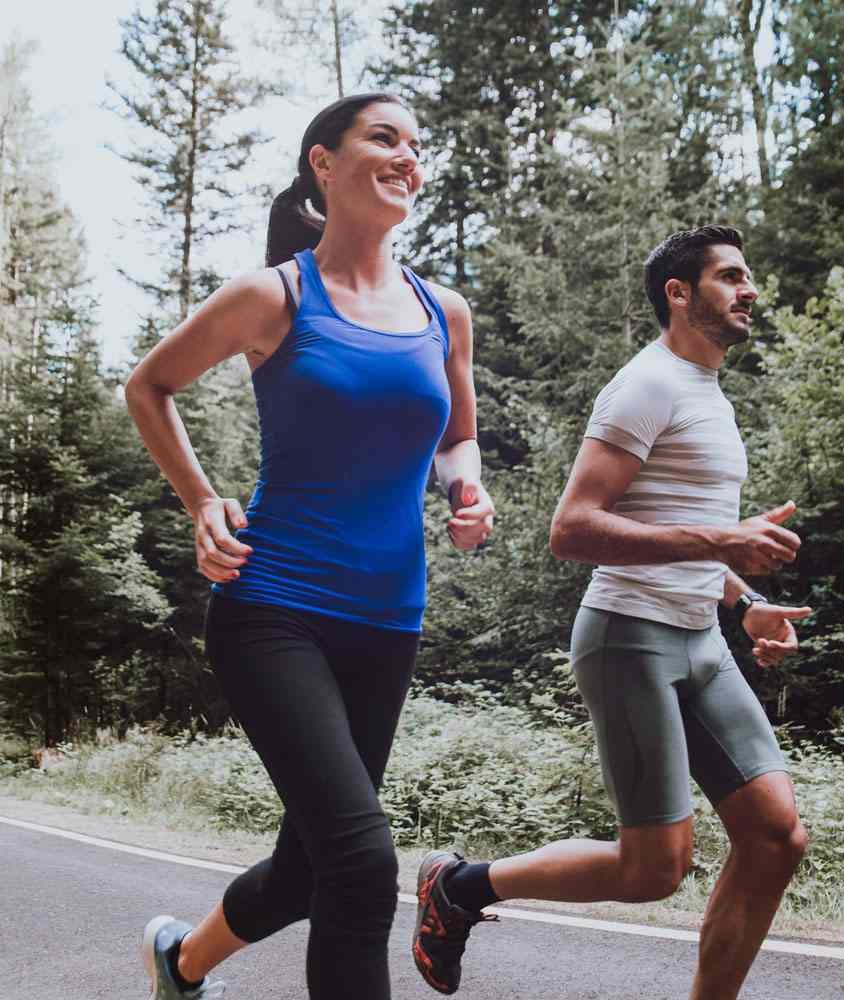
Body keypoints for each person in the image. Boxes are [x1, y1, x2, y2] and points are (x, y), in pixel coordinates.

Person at [126, 92, 494, 1000]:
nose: (408, 157)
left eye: (416, 145)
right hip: (273, 608)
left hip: (389, 618)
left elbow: (457, 437)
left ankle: (180, 963)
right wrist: (201, 500)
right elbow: (149, 386)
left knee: (309, 868)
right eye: (384, 138)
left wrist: (466, 487)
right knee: (362, 865)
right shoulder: (276, 295)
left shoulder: (443, 311)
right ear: (323, 164)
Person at [412, 225, 812, 1000]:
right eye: (731, 277)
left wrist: (746, 601)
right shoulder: (648, 384)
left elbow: (684, 529)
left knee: (775, 837)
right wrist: (725, 541)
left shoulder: (709, 393)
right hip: (630, 637)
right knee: (654, 869)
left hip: (700, 637)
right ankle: (461, 886)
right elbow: (572, 529)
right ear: (679, 293)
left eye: (747, 276)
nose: (750, 290)